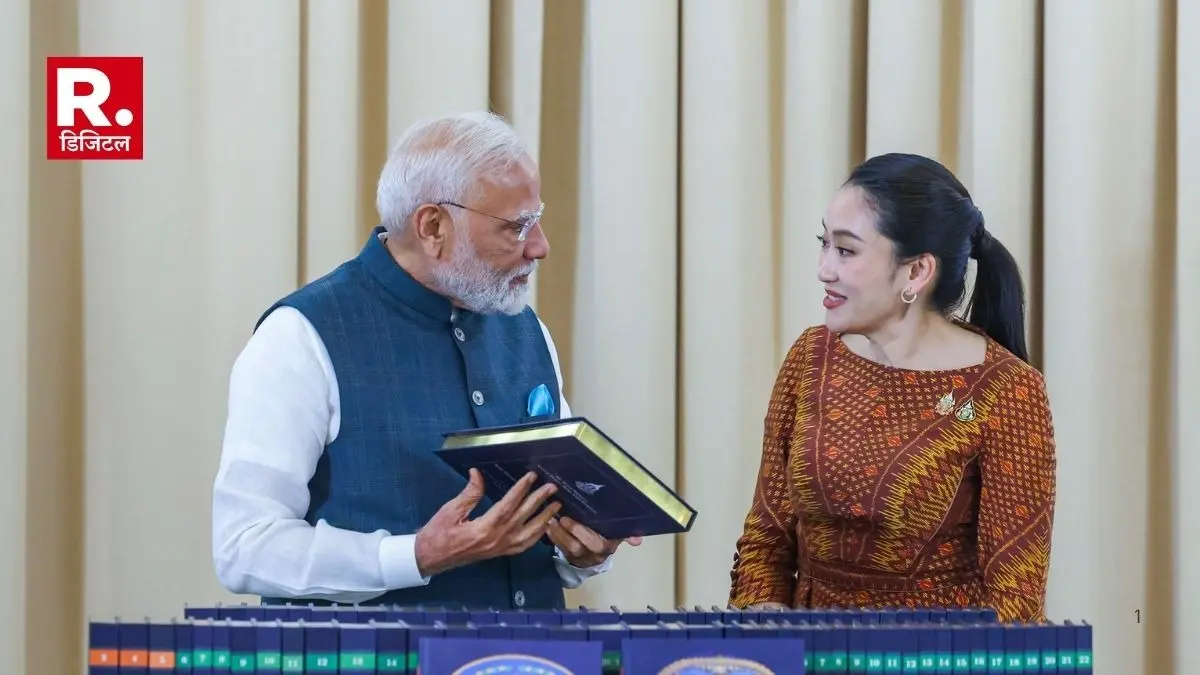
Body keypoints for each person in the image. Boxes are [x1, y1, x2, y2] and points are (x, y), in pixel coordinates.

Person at [211, 111, 638, 609]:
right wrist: (414, 556)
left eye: (536, 220)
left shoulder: (526, 329)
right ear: (433, 226)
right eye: (518, 227)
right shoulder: (300, 336)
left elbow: (553, 516)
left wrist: (583, 552)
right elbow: (244, 548)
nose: (540, 248)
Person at [727, 153, 1056, 623]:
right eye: (824, 243)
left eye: (846, 250)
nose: (824, 268)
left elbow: (1016, 604)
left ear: (917, 272)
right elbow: (766, 538)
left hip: (935, 660)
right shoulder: (811, 356)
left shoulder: (1008, 391)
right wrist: (771, 633)